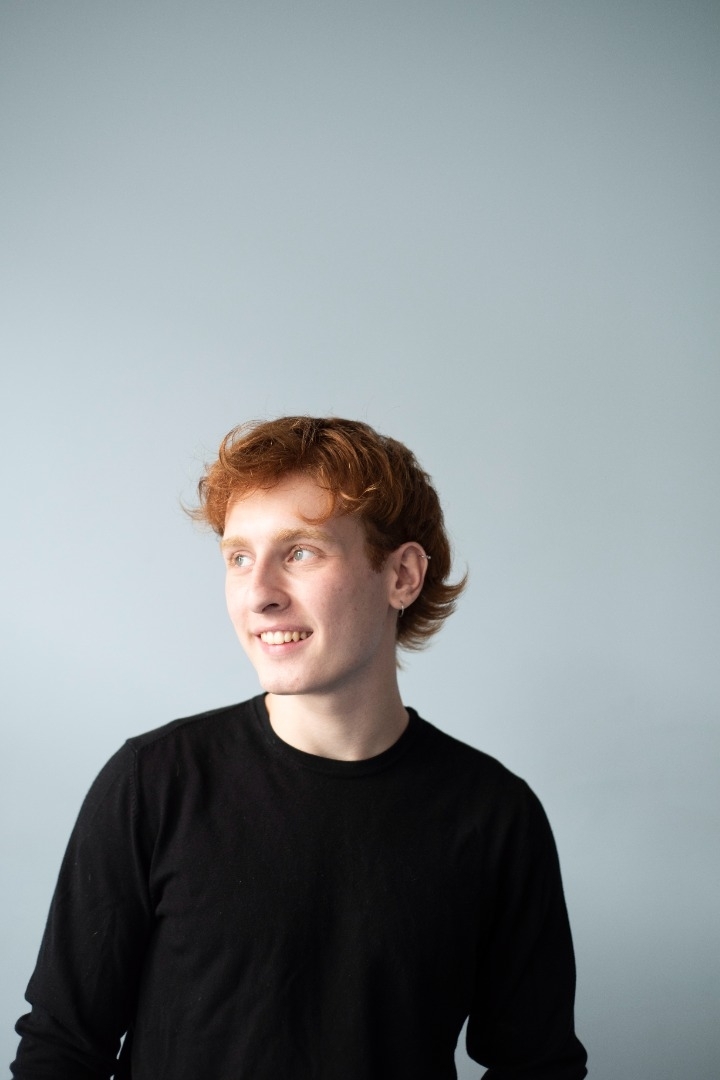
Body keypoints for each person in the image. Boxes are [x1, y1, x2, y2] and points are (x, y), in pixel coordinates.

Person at [12, 416, 588, 1079]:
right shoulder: (154, 783)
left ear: (402, 576)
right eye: (238, 558)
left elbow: (537, 1067)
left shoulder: (494, 815)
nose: (258, 595)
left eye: (301, 552)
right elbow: (61, 1051)